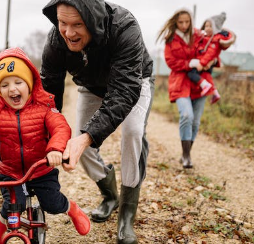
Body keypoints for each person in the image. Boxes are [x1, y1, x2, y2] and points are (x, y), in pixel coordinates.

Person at [41, 1, 154, 243]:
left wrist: (88, 136)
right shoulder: (55, 40)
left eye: (77, 24)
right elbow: (49, 93)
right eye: (63, 23)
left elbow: (124, 92)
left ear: (92, 19)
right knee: (81, 143)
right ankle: (110, 195)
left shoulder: (125, 27)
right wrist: (46, 136)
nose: (69, 33)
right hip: (90, 87)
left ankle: (126, 215)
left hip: (133, 82)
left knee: (133, 132)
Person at [0, 47, 90, 243]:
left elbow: (60, 128)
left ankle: (72, 209)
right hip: (11, 172)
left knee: (51, 203)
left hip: (41, 168)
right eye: (5, 85)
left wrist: (55, 150)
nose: (12, 89)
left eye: (18, 82)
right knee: (11, 205)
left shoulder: (43, 108)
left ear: (30, 84)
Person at [157, 9, 235, 169]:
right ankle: (186, 156)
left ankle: (187, 154)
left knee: (195, 122)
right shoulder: (170, 39)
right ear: (175, 22)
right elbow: (171, 62)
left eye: (187, 22)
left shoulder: (198, 34)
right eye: (181, 22)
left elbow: (215, 44)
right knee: (186, 115)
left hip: (200, 82)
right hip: (180, 82)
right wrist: (190, 64)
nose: (184, 25)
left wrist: (215, 58)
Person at [187, 12, 236, 104]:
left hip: (203, 63)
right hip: (204, 62)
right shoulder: (205, 38)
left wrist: (202, 63)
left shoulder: (214, 40)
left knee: (191, 73)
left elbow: (210, 53)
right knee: (206, 76)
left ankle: (205, 85)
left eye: (210, 26)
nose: (207, 28)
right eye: (206, 26)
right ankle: (215, 93)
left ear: (216, 28)